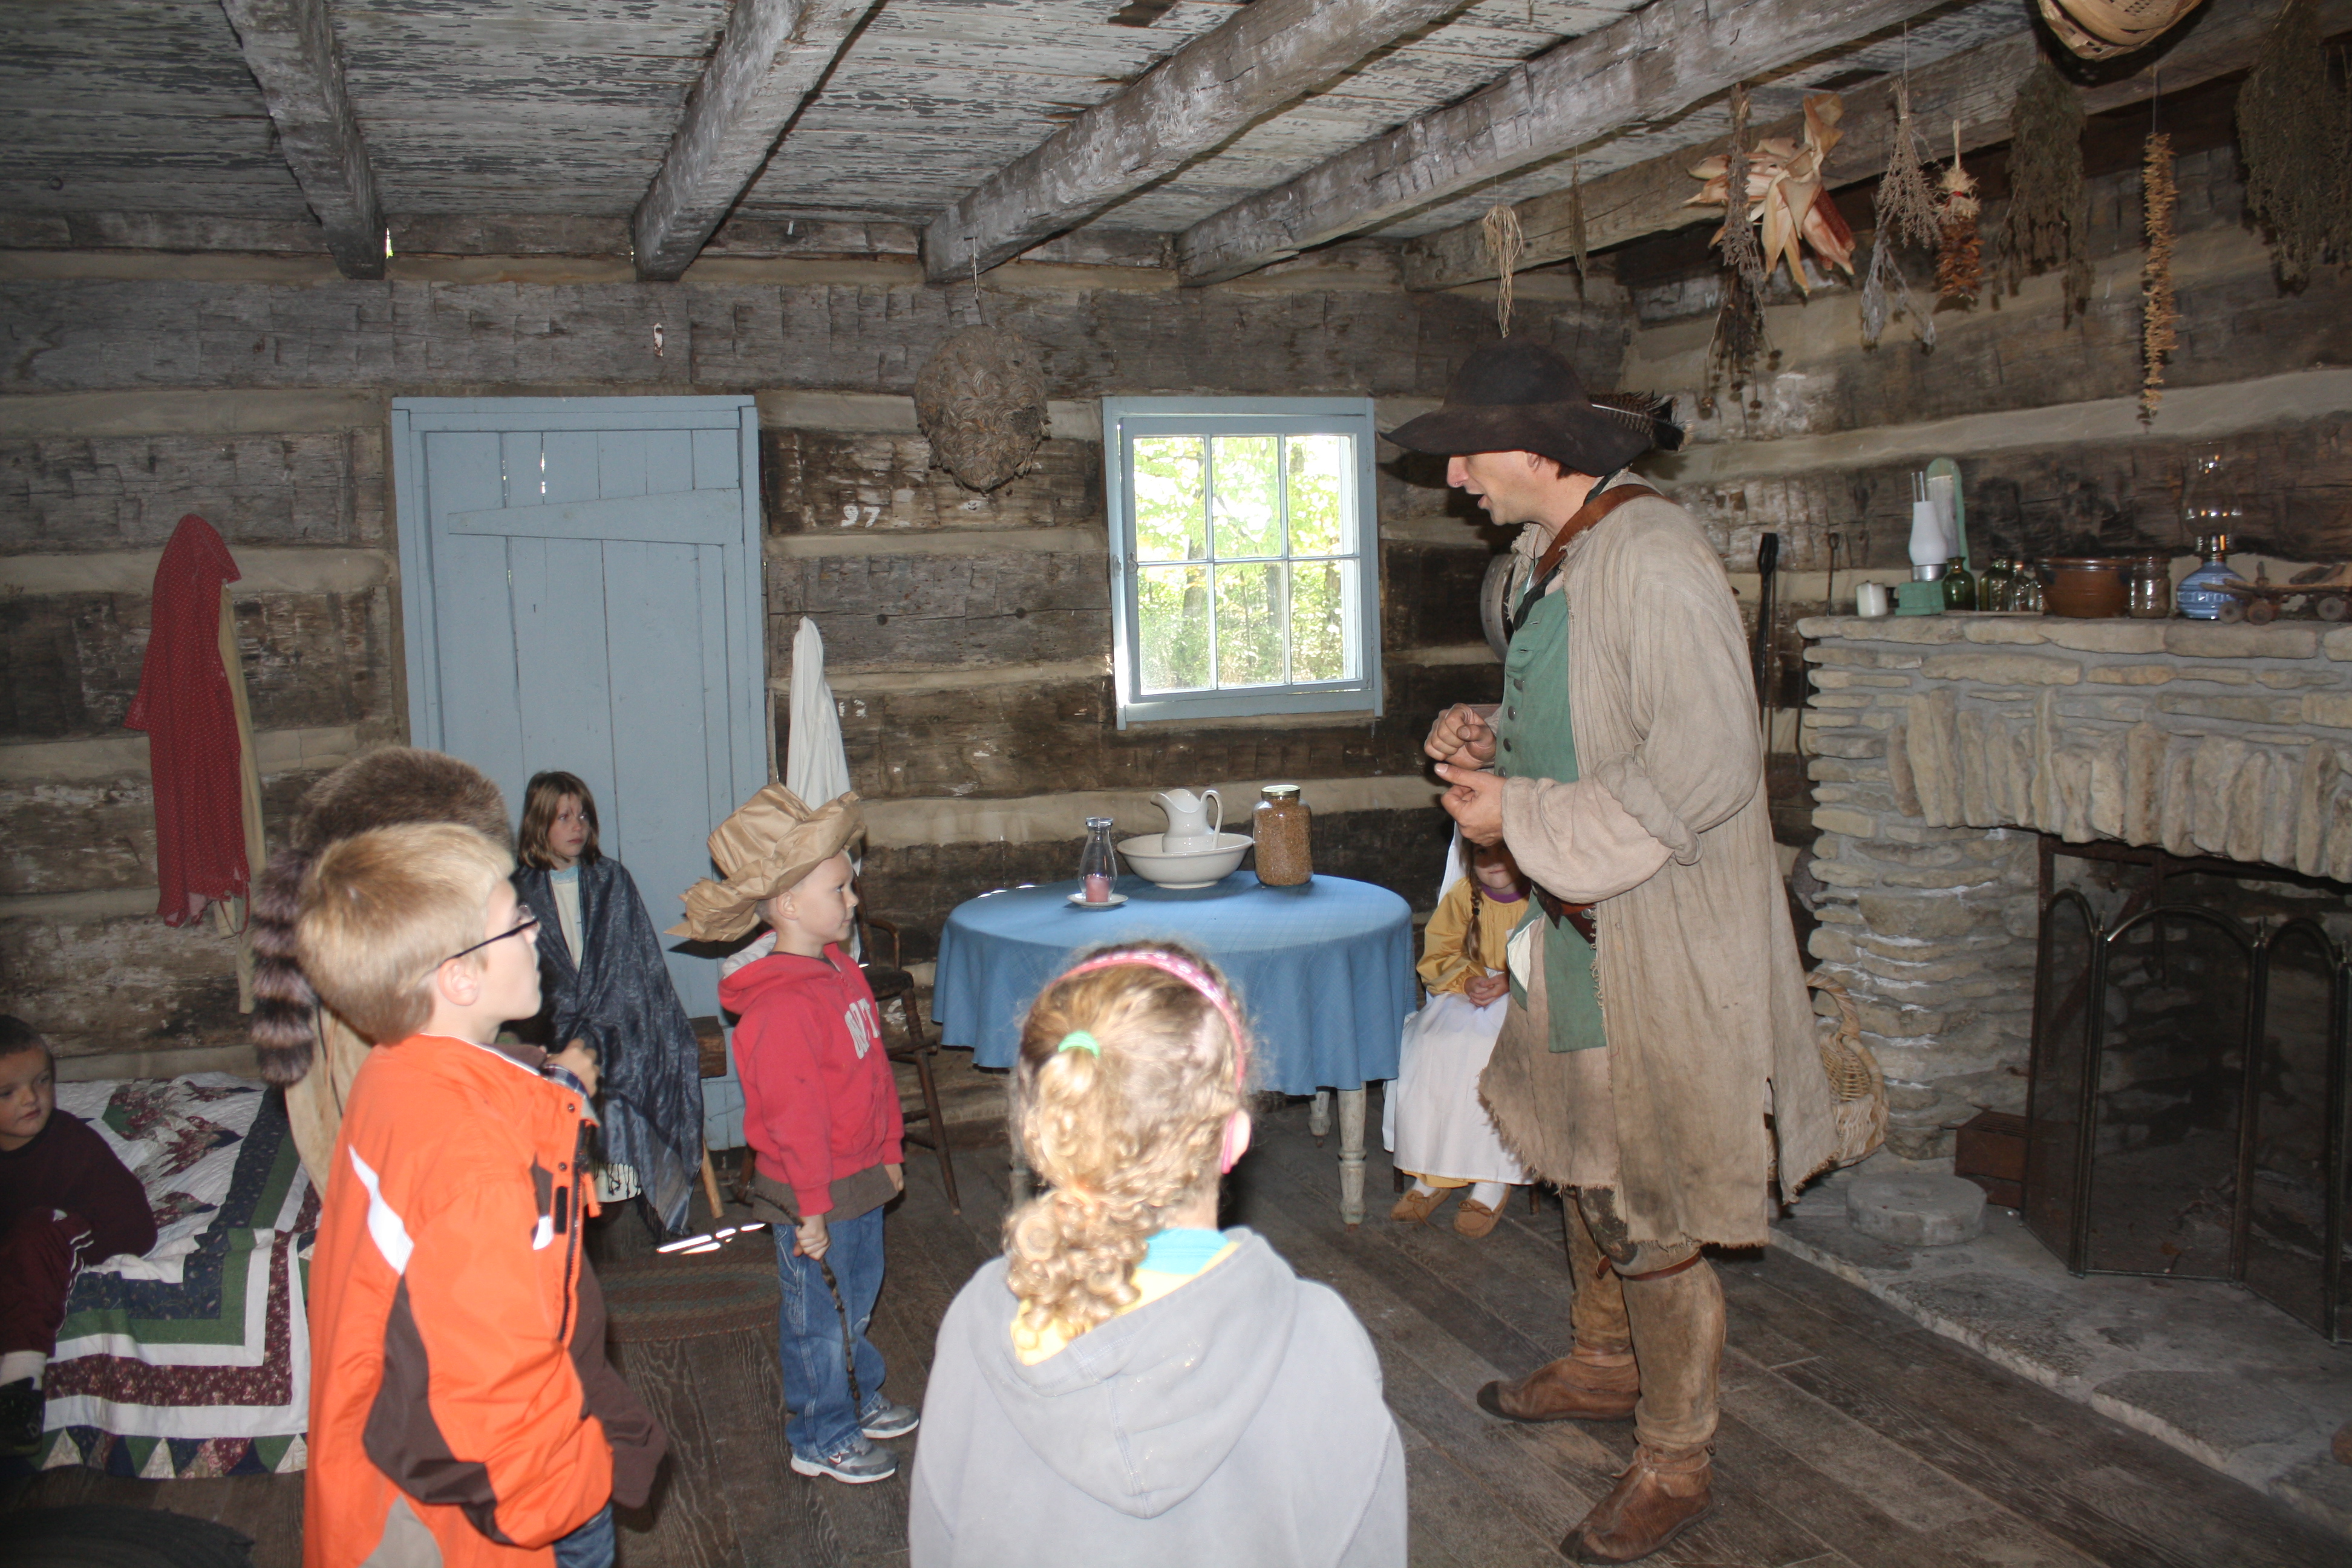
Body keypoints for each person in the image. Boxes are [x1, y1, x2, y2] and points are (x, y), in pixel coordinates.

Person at [1388, 338, 1840, 1564]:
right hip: (1586, 922)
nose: (1458, 479)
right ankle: (1600, 1364)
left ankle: (1677, 1459)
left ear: (1541, 450)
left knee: (1654, 1190)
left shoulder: (1653, 557)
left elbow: (1701, 764)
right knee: (1586, 1157)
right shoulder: (1562, 553)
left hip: (1657, 932)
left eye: (1470, 453)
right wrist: (1498, 737)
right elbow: (1594, 724)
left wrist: (1519, 818)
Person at [908, 942, 1408, 1567]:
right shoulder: (1319, 1340)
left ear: (1047, 1136)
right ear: (1235, 1136)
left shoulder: (979, 1324)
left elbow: (937, 1544)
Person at [299, 822, 665, 1568]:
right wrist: (578, 1493)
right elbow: (493, 1384)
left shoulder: (395, 1073)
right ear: (459, 978)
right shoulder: (472, 1167)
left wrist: (556, 1088)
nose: (536, 933)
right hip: (509, 1514)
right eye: (516, 922)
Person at [669, 783, 916, 1486]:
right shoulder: (779, 1007)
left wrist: (891, 1152)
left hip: (858, 1172)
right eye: (839, 889)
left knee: (856, 1294)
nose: (853, 901)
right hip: (809, 1188)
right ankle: (821, 1433)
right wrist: (809, 1205)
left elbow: (874, 1074)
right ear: (786, 906)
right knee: (817, 1313)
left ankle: (855, 1394)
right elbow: (793, 1118)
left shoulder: (841, 972)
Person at [512, 770, 706, 1237]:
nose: (576, 826)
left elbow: (635, 963)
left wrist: (604, 1020)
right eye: (563, 817)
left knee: (630, 1064)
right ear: (539, 825)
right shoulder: (518, 890)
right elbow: (521, 973)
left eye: (582, 815)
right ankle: (573, 1202)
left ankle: (633, 1198)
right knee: (565, 1064)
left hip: (619, 1017)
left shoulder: (611, 880)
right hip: (549, 1023)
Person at [0, 1017, 157, 1455]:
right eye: (7, 1093)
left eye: (42, 1081)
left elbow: (135, 1226)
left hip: (71, 1233)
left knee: (35, 1232)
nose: (31, 1098)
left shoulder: (70, 1141)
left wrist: (69, 1237)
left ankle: (18, 1389)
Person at [1385, 838, 1531, 1236]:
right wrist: (1467, 980)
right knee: (1432, 1044)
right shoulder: (1465, 895)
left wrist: (1510, 979)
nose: (1494, 864)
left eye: (1506, 853)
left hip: (1524, 995)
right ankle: (1433, 1171)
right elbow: (1440, 949)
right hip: (1469, 989)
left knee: (1486, 1052)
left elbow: (1553, 953)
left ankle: (1491, 1178)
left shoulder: (1542, 897)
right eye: (1483, 855)